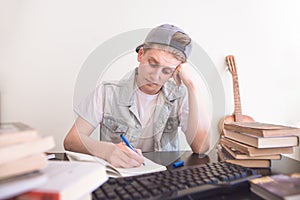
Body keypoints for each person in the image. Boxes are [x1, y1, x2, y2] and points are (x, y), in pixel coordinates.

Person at [64, 24, 210, 168]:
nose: (155, 76)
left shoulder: (180, 96)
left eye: (166, 71)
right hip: (121, 180)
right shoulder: (106, 92)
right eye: (152, 64)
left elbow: (201, 148)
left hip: (164, 180)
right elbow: (72, 141)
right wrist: (108, 151)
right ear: (141, 55)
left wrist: (192, 86)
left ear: (176, 71)